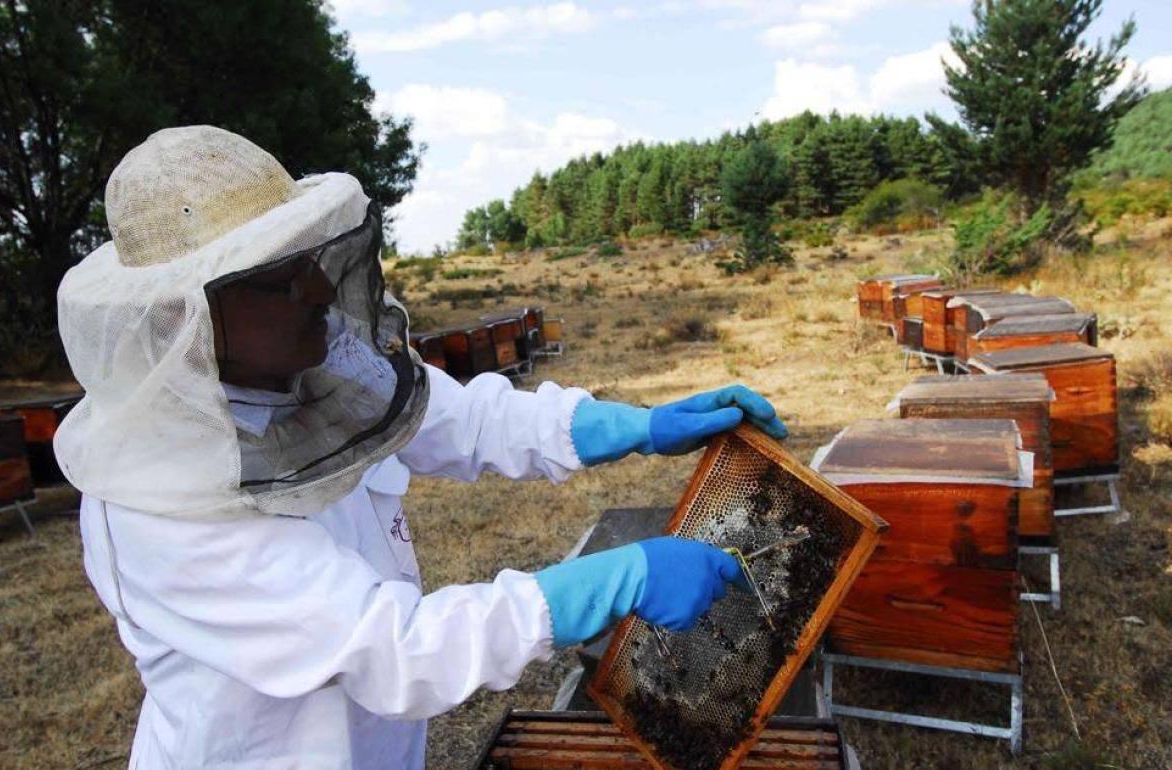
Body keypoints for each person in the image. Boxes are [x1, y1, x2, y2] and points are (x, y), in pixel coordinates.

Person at [54, 126, 789, 770]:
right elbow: (391, 648)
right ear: (189, 313)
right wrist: (609, 583)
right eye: (280, 279)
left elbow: (464, 420)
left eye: (308, 257)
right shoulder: (156, 508)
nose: (317, 287)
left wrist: (639, 425)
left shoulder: (321, 364)